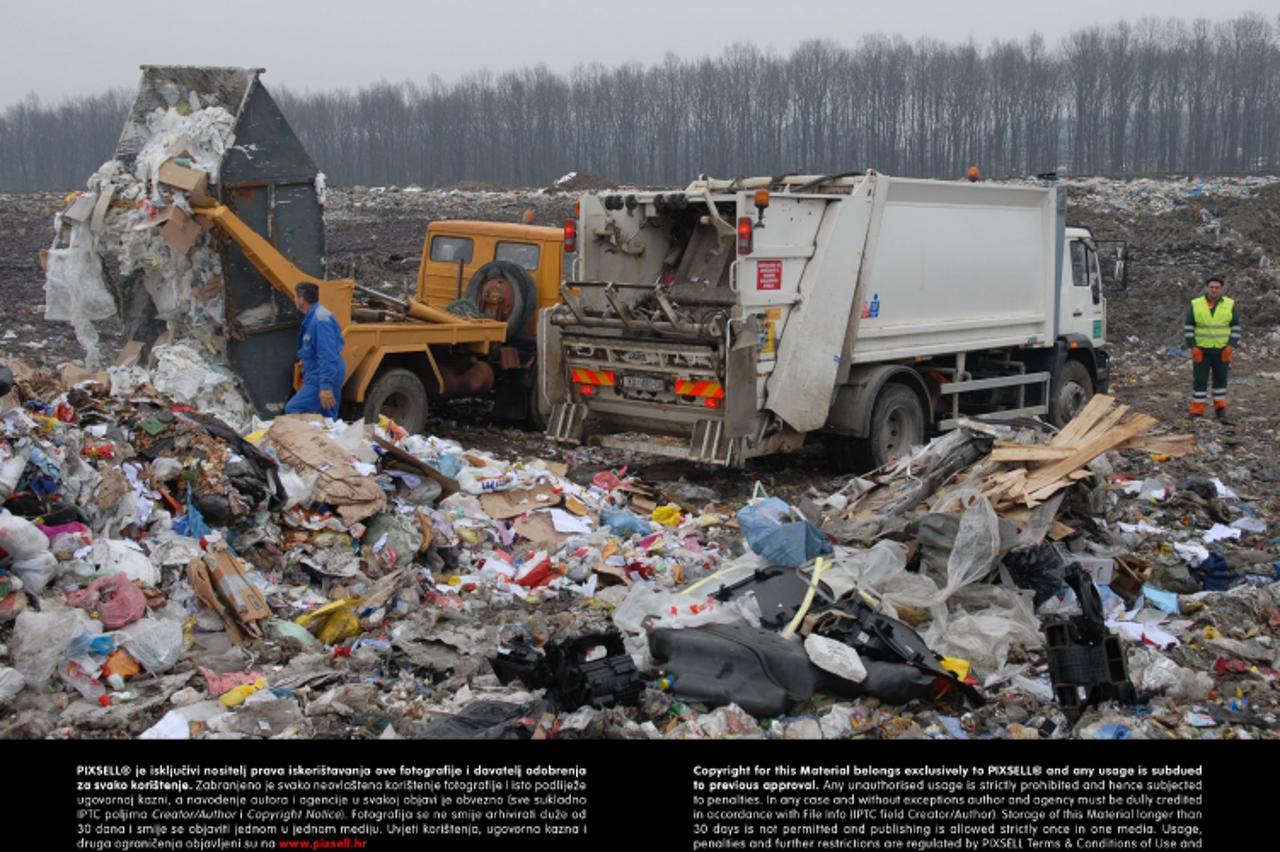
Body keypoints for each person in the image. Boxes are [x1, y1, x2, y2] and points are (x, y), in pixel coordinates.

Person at [1183, 276, 1241, 421]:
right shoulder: (1196, 304)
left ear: (1221, 289)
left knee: (1220, 381)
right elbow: (1189, 327)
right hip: (1202, 350)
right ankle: (1197, 411)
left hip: (1222, 350)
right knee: (1200, 380)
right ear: (1207, 288)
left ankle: (1220, 410)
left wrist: (1231, 345)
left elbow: (1236, 326)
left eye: (1217, 287)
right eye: (1211, 287)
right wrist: (1193, 346)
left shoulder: (1230, 304)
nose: (1214, 290)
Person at [284, 282, 345, 419]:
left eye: (295, 296)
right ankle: (325, 439)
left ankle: (303, 439)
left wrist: (325, 387)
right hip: (323, 372)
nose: (294, 300)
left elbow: (327, 355)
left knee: (293, 408)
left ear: (301, 299)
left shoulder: (320, 321)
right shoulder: (316, 316)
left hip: (323, 374)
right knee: (328, 419)